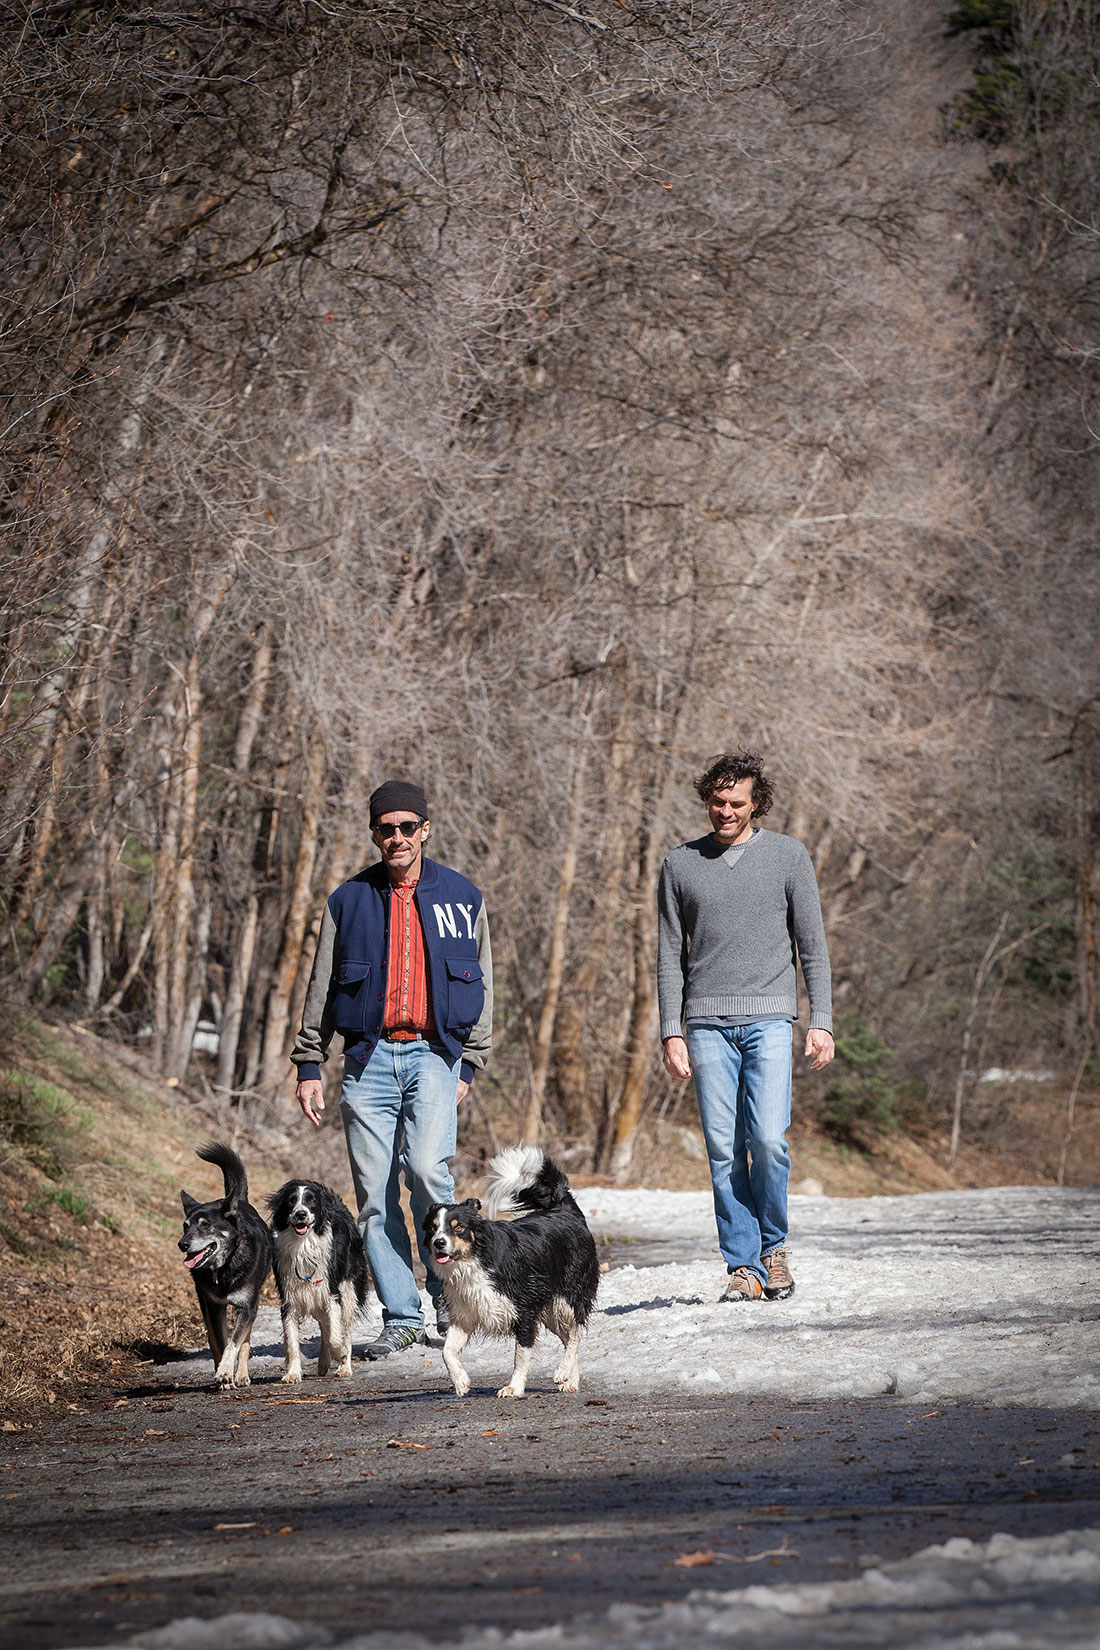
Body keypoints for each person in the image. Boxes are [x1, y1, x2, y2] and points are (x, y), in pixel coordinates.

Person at [291, 779, 492, 1357]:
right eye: (387, 828)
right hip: (367, 1058)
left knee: (429, 1173)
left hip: (435, 1054)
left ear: (425, 829)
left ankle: (449, 1298)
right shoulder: (347, 901)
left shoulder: (462, 897)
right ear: (374, 833)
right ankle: (401, 1314)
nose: (397, 837)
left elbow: (485, 982)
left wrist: (469, 1062)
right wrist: (309, 1061)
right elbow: (322, 985)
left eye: (408, 826)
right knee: (375, 1196)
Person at [657, 750, 834, 1303]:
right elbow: (667, 953)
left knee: (767, 1140)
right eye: (717, 801)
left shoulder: (788, 856)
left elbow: (813, 947)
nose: (725, 811)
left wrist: (821, 1020)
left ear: (757, 803)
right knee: (723, 1147)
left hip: (770, 1019)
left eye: (736, 803)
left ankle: (774, 1247)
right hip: (706, 1023)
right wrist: (671, 1028)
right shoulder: (680, 864)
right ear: (706, 800)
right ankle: (744, 1265)